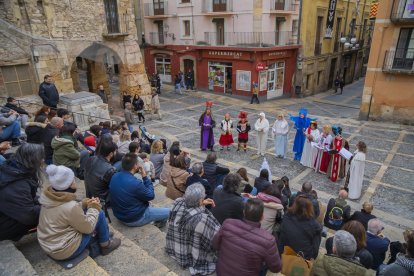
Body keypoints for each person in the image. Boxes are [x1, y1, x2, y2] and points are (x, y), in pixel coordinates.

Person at [37, 165, 121, 260]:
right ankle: (106, 245)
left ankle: (103, 235)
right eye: (73, 180)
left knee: (91, 211)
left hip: (50, 244)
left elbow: (64, 213)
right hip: (63, 250)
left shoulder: (48, 198)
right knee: (99, 213)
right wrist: (94, 207)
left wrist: (83, 204)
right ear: (68, 184)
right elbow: (88, 228)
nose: (75, 182)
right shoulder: (71, 206)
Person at [213, 198, 282, 275]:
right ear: (262, 217)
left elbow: (215, 245)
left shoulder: (228, 223)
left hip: (221, 272)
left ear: (243, 212)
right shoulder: (269, 240)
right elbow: (276, 268)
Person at [166, 184, 219, 275]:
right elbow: (216, 241)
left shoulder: (177, 202)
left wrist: (201, 203)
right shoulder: (202, 219)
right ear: (200, 200)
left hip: (174, 250)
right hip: (189, 259)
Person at [109, 153, 170, 227]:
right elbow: (151, 195)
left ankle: (157, 220)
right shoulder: (135, 183)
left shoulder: (114, 176)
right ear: (135, 166)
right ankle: (159, 224)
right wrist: (145, 177)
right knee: (170, 211)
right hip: (135, 218)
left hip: (119, 215)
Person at [0, 143, 44, 241]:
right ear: (33, 160)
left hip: (6, 213)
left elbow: (26, 198)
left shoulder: (13, 169)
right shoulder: (17, 183)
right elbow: (29, 216)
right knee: (57, 211)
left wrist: (45, 201)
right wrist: (52, 206)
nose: (43, 161)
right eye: (41, 158)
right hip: (3, 225)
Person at [278, 195, 322, 260]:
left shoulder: (286, 216)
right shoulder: (315, 226)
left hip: (283, 254)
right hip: (301, 258)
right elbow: (315, 252)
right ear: (310, 208)